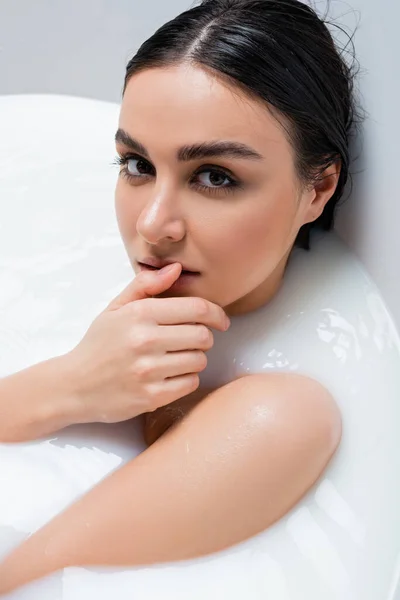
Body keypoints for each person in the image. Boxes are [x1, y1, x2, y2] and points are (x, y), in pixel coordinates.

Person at [0, 0, 361, 592]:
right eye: (137, 164)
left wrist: (81, 388)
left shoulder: (282, 412)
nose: (152, 224)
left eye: (215, 176)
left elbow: (21, 577)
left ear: (316, 188)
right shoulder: (45, 242)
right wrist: (73, 382)